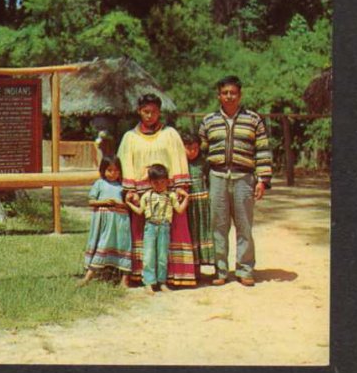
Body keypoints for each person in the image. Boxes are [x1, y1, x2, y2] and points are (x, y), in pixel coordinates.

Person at [198, 75, 273, 287]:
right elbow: (200, 151)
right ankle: (220, 270)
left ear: (240, 95)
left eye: (233, 93)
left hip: (244, 178)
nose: (229, 96)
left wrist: (262, 180)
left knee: (244, 225)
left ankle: (245, 269)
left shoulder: (253, 120)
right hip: (217, 177)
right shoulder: (208, 121)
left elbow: (263, 150)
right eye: (225, 93)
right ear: (219, 95)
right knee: (218, 226)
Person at [117, 94, 196, 287]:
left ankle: (173, 276)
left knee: (171, 234)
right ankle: (142, 276)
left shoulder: (170, 134)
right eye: (146, 111)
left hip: (167, 194)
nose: (150, 115)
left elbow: (178, 159)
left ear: (159, 112)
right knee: (143, 235)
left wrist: (179, 187)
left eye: (154, 111)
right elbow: (125, 163)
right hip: (142, 195)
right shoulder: (130, 137)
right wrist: (131, 190)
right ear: (139, 111)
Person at [126, 164, 189, 295]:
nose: (159, 185)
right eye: (155, 182)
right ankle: (148, 283)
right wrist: (129, 203)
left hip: (164, 227)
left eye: (162, 181)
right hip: (150, 227)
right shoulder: (146, 196)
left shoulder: (171, 196)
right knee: (148, 255)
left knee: (162, 256)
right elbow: (139, 211)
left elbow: (179, 210)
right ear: (150, 182)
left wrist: (186, 198)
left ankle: (162, 282)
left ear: (167, 181)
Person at [80, 156, 133, 287]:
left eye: (116, 170)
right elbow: (91, 201)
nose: (113, 173)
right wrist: (104, 202)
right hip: (104, 221)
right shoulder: (100, 184)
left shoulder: (124, 186)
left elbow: (129, 205)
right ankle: (88, 277)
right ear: (103, 170)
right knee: (102, 245)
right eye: (109, 170)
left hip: (120, 221)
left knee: (123, 245)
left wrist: (120, 204)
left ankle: (124, 280)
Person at [181, 132, 215, 271]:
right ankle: (194, 269)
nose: (192, 152)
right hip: (188, 204)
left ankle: (213, 266)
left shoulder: (204, 162)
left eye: (196, 148)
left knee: (205, 232)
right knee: (191, 234)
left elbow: (210, 181)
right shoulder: (179, 163)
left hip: (202, 203)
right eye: (189, 148)